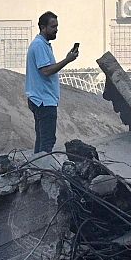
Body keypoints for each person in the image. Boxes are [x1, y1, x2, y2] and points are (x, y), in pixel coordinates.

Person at [25, 11, 78, 154]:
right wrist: (67, 60)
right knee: (47, 141)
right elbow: (46, 71)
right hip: (44, 101)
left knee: (42, 140)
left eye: (57, 26)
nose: (56, 30)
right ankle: (42, 170)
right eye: (53, 27)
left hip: (42, 99)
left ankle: (35, 170)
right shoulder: (39, 45)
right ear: (43, 27)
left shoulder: (43, 44)